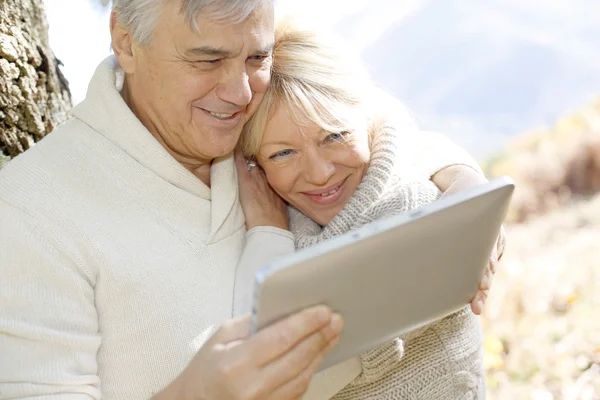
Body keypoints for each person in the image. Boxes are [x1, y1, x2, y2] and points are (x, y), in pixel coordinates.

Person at [0, 1, 500, 399]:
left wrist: (462, 181)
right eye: (208, 59)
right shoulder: (30, 211)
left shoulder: (246, 129)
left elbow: (371, 130)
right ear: (125, 42)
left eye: (256, 58)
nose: (239, 92)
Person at [234, 19, 506, 399]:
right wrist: (267, 228)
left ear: (367, 119)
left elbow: (270, 380)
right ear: (253, 165)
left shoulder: (420, 207)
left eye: (334, 135)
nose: (319, 173)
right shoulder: (266, 214)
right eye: (282, 153)